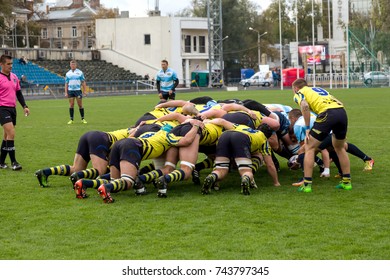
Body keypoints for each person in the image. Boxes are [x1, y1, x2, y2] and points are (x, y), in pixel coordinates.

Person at [292, 78, 351, 193]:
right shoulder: (318, 89)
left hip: (327, 114)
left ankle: (307, 184)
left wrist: (308, 128)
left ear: (295, 88)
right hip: (341, 112)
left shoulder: (299, 93)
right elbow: (338, 102)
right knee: (339, 147)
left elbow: (304, 106)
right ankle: (346, 182)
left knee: (309, 147)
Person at [34, 128, 132, 197]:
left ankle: (45, 172)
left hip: (89, 135)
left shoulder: (132, 128)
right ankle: (81, 180)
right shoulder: (136, 132)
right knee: (100, 171)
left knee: (76, 168)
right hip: (100, 139)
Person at [0, 55, 30, 170]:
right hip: (2, 109)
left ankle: (1, 162)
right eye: (8, 64)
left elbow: (18, 93)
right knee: (11, 133)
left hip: (13, 109)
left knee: (6, 135)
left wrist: (24, 106)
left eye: (11, 64)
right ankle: (14, 162)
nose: (11, 66)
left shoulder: (14, 77)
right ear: (1, 64)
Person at [65, 60, 87, 124]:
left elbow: (83, 82)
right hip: (70, 90)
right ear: (70, 65)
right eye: (71, 64)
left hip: (78, 90)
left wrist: (85, 90)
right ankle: (71, 119)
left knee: (80, 105)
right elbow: (66, 83)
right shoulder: (68, 73)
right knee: (71, 105)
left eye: (74, 64)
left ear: (76, 65)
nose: (73, 66)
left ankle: (82, 119)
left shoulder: (80, 72)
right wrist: (66, 92)